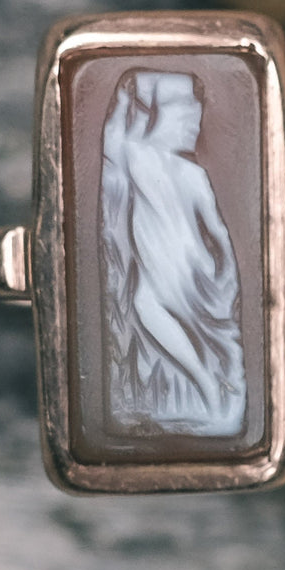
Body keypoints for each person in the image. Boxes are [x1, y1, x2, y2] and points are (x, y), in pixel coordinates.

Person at [100, 70, 247, 437]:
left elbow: (215, 230)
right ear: (156, 115)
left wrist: (226, 270)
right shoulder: (133, 156)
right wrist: (123, 100)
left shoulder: (192, 174)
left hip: (190, 273)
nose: (192, 123)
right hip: (152, 266)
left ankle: (212, 395)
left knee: (159, 312)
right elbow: (110, 144)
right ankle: (205, 389)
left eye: (195, 113)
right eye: (182, 112)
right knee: (143, 304)